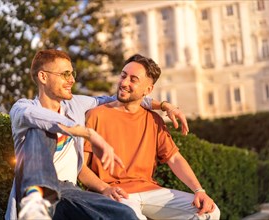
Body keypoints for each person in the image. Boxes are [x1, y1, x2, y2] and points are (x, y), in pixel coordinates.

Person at [5, 49, 189, 220]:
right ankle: (38, 201)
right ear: (43, 77)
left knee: (124, 213)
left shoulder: (76, 105)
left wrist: (166, 105)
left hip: (69, 190)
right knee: (39, 130)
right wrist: (88, 134)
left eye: (72, 74)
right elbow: (40, 118)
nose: (72, 80)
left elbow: (125, 97)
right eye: (65, 74)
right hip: (33, 191)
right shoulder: (23, 108)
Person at [81, 54, 221, 219]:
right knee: (132, 216)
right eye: (123, 76)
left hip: (150, 191)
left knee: (209, 212)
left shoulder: (154, 120)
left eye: (133, 79)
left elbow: (174, 158)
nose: (124, 83)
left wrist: (199, 191)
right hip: (115, 193)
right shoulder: (96, 115)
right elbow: (80, 167)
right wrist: (104, 189)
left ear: (147, 90)